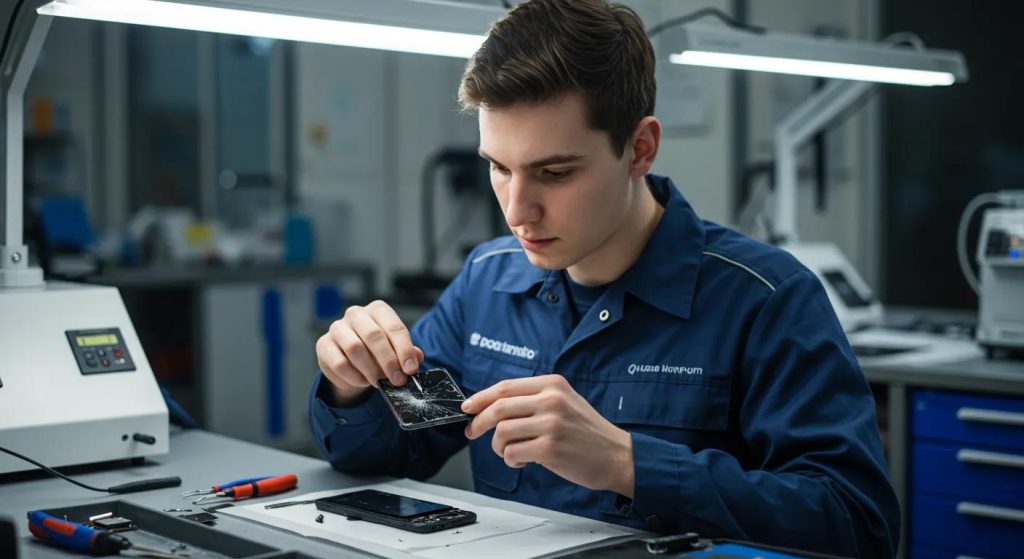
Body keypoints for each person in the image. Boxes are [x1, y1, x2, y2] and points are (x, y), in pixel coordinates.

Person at [309, 0, 899, 556]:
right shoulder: (487, 282)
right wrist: (351, 386)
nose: (518, 210)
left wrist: (629, 463)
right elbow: (386, 450)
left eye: (555, 172)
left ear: (640, 148)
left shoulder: (765, 299)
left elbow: (857, 523)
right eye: (498, 167)